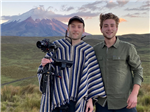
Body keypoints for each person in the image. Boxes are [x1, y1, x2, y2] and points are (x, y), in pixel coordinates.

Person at [37, 16, 106, 112]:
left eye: (79, 27)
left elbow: (92, 77)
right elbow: (43, 70)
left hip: (77, 99)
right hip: (56, 97)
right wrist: (44, 65)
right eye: (73, 26)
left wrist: (90, 100)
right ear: (68, 28)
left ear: (83, 30)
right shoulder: (57, 46)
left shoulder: (88, 51)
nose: (76, 29)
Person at [94, 13, 143, 112]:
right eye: (106, 26)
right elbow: (91, 75)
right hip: (102, 104)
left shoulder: (128, 48)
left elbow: (138, 70)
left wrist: (134, 94)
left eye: (112, 25)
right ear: (101, 29)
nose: (109, 29)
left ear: (116, 28)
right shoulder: (96, 49)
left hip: (125, 103)